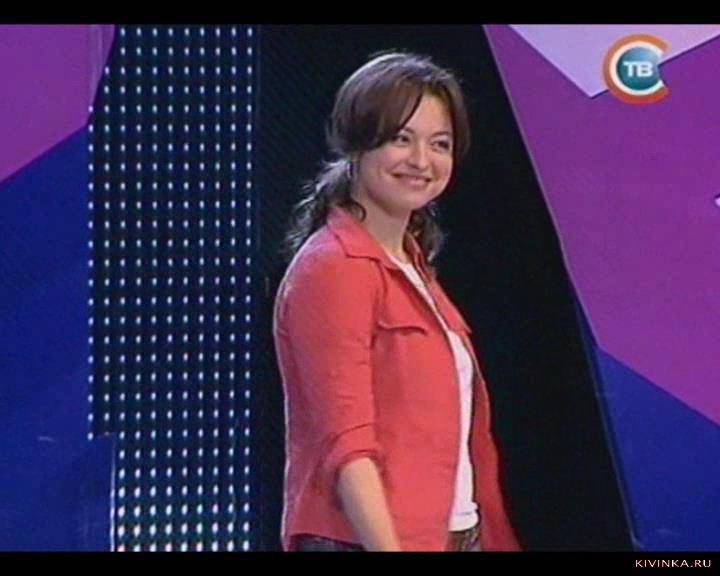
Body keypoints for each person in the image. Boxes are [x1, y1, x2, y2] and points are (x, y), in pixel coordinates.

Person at [273, 51, 521, 552]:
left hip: (455, 535)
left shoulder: (412, 266)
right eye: (401, 139)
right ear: (357, 144)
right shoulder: (335, 267)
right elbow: (348, 447)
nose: (422, 161)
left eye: (440, 144)